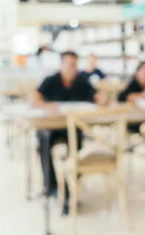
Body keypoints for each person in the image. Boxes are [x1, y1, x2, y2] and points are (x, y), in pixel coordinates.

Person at [31, 50, 107, 214]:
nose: (71, 68)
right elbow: (34, 99)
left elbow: (98, 97)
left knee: (76, 143)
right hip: (50, 127)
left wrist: (102, 98)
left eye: (74, 65)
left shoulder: (82, 81)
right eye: (68, 65)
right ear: (61, 65)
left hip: (72, 129)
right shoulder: (50, 80)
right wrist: (46, 106)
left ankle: (71, 186)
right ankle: (52, 187)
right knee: (44, 140)